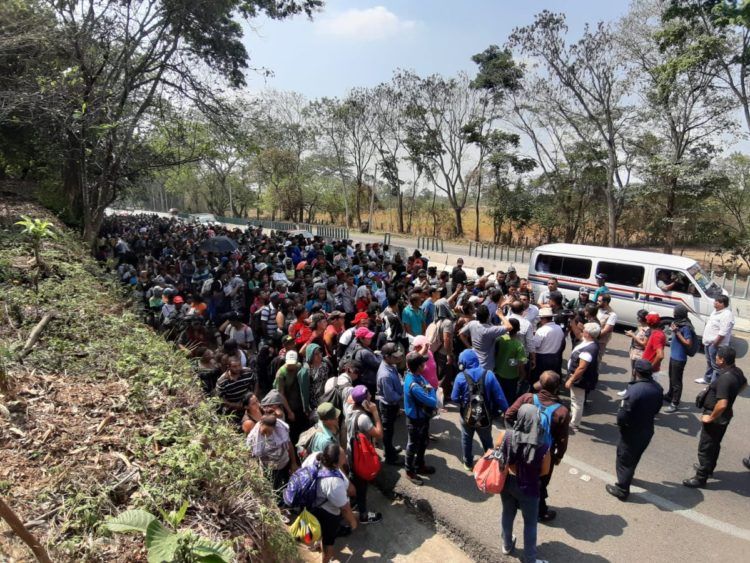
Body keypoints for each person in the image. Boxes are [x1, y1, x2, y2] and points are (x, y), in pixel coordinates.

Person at [505, 370, 570, 523]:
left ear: (541, 386)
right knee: (540, 482)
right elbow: (562, 440)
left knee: (519, 473)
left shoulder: (527, 398)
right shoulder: (562, 411)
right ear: (556, 388)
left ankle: (519, 500)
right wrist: (559, 456)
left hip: (520, 448)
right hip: (544, 454)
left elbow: (508, 415)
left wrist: (516, 437)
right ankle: (540, 512)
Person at [683, 346, 747, 488]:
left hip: (716, 417)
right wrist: (733, 393)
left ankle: (700, 478)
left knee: (706, 447)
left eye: (717, 356)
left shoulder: (726, 378)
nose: (715, 358)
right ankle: (709, 468)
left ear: (722, 360)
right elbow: (744, 384)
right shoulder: (737, 371)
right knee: (714, 444)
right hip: (724, 416)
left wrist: (710, 417)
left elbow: (722, 404)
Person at [498, 403, 550, 563]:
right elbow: (544, 471)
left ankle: (506, 545)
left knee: (507, 513)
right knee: (530, 524)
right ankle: (530, 559)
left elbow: (497, 452)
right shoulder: (543, 445)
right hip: (530, 487)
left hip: (507, 483)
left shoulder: (506, 435)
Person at [605, 359, 663, 501]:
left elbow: (623, 414)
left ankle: (622, 489)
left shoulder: (634, 390)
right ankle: (628, 477)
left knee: (624, 458)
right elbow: (657, 409)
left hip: (632, 430)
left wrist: (621, 424)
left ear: (636, 372)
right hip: (647, 428)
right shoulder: (658, 388)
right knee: (634, 456)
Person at [451, 349, 508, 471]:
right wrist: (507, 412)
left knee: (466, 439)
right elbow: (500, 397)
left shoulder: (460, 377)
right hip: (485, 417)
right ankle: (490, 463)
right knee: (487, 440)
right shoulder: (489, 375)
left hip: (466, 416)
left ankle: (468, 463)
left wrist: (464, 400)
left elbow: (454, 398)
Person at [304, 443, 358, 563]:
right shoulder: (334, 483)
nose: (345, 458)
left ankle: (316, 542)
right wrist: (353, 522)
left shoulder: (314, 457)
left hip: (309, 503)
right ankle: (325, 559)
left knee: (314, 527)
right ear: (334, 464)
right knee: (329, 545)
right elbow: (345, 509)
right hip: (327, 514)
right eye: (343, 457)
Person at [345, 385, 384, 524]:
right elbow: (379, 434)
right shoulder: (363, 419)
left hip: (350, 452)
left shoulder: (349, 408)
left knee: (354, 479)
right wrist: (375, 412)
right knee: (362, 487)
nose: (371, 398)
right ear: (364, 403)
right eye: (368, 398)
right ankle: (363, 515)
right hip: (359, 456)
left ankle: (353, 502)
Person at [403, 351, 438, 486]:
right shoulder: (414, 385)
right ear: (418, 367)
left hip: (422, 418)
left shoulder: (416, 375)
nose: (425, 364)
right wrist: (431, 391)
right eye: (423, 363)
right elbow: (432, 401)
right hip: (415, 420)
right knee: (412, 445)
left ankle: (419, 465)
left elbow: (427, 384)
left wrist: (429, 389)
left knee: (423, 442)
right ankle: (409, 471)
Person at [246, 414, 297, 500]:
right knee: (275, 489)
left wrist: (293, 463)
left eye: (269, 432)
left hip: (284, 462)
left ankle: (290, 500)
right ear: (260, 424)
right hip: (269, 468)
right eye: (264, 431)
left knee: (289, 484)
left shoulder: (281, 430)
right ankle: (279, 504)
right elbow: (250, 455)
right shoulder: (253, 437)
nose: (267, 434)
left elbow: (289, 445)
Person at [565, 322, 601, 432]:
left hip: (580, 379)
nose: (582, 331)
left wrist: (571, 380)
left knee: (577, 401)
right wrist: (574, 323)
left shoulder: (589, 350)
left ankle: (574, 423)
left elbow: (581, 368)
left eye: (584, 330)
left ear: (588, 334)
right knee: (576, 400)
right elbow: (578, 334)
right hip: (580, 378)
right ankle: (574, 417)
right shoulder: (591, 341)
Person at [375, 343, 405, 466]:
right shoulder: (385, 375)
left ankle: (390, 449)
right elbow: (390, 396)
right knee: (387, 432)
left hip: (393, 404)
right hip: (388, 406)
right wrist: (403, 395)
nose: (398, 358)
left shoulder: (391, 365)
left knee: (390, 431)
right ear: (386, 357)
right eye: (395, 356)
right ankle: (390, 457)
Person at [459, 304, 512, 371]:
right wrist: (500, 315)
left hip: (474, 360)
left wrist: (469, 347)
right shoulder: (490, 330)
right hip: (486, 365)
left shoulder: (472, 324)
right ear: (488, 316)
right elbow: (509, 327)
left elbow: (461, 334)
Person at [696, 295, 735, 385]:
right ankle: (707, 379)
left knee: (717, 366)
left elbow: (723, 332)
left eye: (718, 302)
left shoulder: (727, 315)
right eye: (715, 301)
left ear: (723, 304)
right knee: (709, 362)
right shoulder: (715, 311)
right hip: (708, 343)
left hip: (717, 345)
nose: (715, 302)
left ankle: (713, 386)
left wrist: (715, 344)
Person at [664, 305, 694, 413]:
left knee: (677, 381)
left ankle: (675, 403)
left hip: (679, 358)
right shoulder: (678, 323)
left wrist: (677, 332)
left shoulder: (685, 327)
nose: (673, 313)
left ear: (679, 314)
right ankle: (670, 395)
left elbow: (688, 343)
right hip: (674, 356)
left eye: (675, 312)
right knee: (671, 377)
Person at [494, 318, 527, 405]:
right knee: (510, 397)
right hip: (511, 376)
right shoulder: (519, 345)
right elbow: (520, 364)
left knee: (499, 393)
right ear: (518, 330)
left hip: (498, 372)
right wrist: (523, 375)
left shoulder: (500, 339)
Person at [531, 308, 565, 384]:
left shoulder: (542, 330)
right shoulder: (559, 328)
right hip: (555, 357)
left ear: (542, 318)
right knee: (551, 379)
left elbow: (535, 345)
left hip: (542, 358)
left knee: (541, 380)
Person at [595, 294, 617, 363]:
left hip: (600, 341)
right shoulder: (596, 309)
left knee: (596, 360)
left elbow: (605, 330)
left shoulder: (612, 315)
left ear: (605, 302)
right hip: (590, 338)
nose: (597, 302)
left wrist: (593, 336)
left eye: (599, 301)